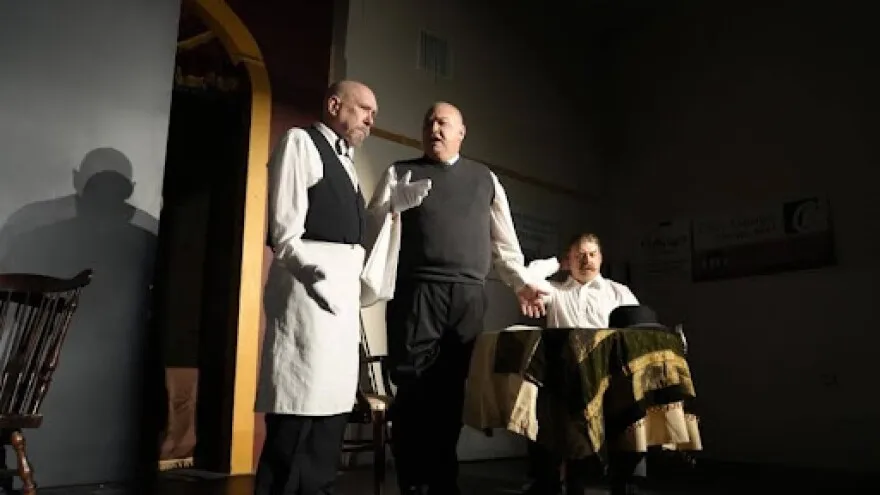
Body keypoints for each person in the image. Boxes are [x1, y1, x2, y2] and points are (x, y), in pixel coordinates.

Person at [366, 101, 547, 495]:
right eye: (428, 121)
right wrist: (392, 207)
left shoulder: (486, 179)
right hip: (417, 291)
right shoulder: (400, 172)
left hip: (468, 294)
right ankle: (413, 480)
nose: (435, 128)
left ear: (462, 132)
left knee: (451, 390)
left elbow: (505, 245)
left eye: (443, 122)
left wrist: (520, 283)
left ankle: (444, 479)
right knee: (413, 388)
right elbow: (372, 228)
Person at [254, 80, 379, 495]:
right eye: (363, 109)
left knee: (330, 416)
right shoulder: (301, 143)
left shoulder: (347, 162)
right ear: (333, 104)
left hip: (340, 299)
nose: (370, 119)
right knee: (298, 414)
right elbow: (284, 232)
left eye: (373, 114)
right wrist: (310, 272)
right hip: (308, 297)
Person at [523, 232, 642, 495]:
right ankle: (558, 481)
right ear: (569, 261)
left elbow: (636, 332)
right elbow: (527, 277)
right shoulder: (553, 291)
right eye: (578, 256)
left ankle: (621, 480)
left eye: (591, 254)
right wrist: (556, 263)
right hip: (564, 379)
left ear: (600, 258)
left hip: (609, 379)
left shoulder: (618, 292)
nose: (586, 260)